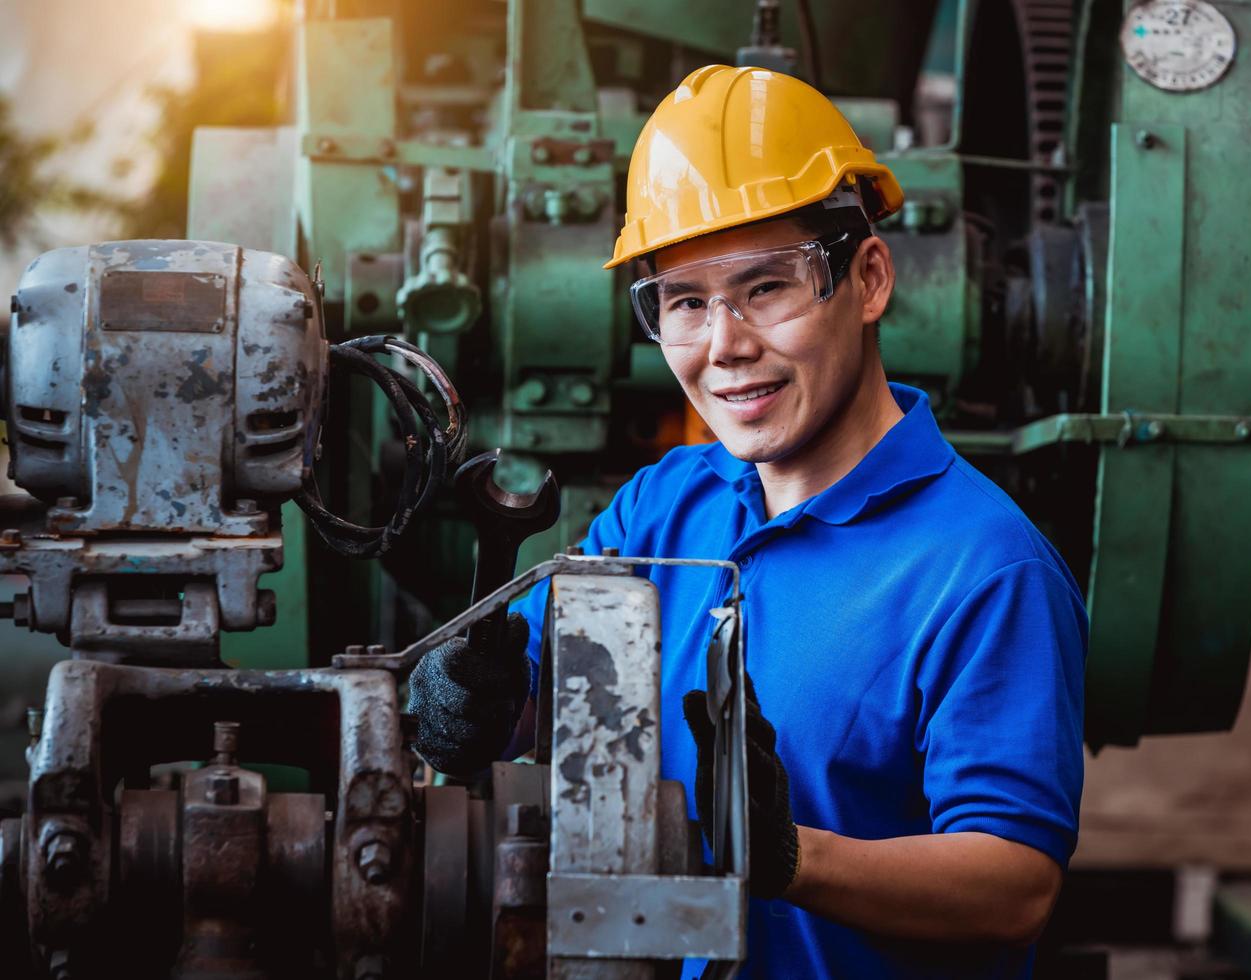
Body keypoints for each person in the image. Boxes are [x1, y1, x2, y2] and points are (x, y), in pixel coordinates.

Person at [409, 64, 1088, 979]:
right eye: (685, 302)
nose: (724, 345)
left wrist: (792, 860)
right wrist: (475, 701)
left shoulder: (984, 569)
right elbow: (533, 695)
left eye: (767, 287)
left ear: (871, 277)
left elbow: (1016, 887)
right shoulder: (666, 503)